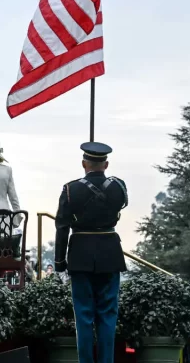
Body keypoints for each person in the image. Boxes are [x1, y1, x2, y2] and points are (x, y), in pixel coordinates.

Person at [54, 142, 128, 363]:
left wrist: (59, 262)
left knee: (83, 317)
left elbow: (62, 227)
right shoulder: (119, 186)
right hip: (110, 254)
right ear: (106, 164)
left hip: (81, 255)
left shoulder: (70, 189)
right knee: (108, 316)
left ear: (83, 164)